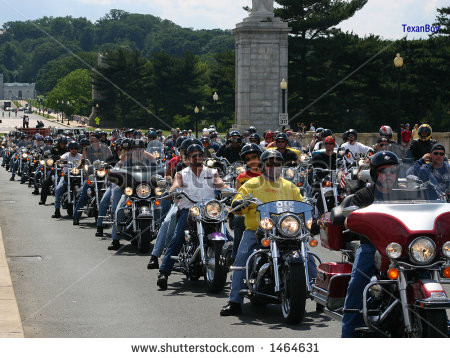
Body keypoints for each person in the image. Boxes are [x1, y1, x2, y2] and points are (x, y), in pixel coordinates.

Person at [220, 150, 315, 316]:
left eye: (277, 163)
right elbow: (237, 203)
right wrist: (239, 202)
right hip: (258, 231)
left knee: (309, 257)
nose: (274, 166)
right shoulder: (251, 184)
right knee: (243, 257)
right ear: (263, 166)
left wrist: (310, 209)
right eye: (270, 163)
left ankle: (317, 294)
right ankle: (234, 301)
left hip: (286, 232)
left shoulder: (289, 186)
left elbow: (302, 203)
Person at [341, 151, 401, 337]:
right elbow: (348, 219)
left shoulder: (405, 194)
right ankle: (348, 335)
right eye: (384, 171)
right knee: (357, 285)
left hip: (402, 249)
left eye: (392, 171)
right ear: (375, 174)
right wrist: (355, 219)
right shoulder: (364, 195)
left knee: (423, 274)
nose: (389, 175)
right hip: (372, 247)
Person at [156, 143, 228, 290]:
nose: (197, 158)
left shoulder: (212, 172)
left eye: (200, 155)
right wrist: (172, 191)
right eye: (193, 156)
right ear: (188, 158)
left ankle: (236, 269)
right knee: (178, 237)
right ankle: (164, 272)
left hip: (209, 211)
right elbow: (175, 186)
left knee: (228, 239)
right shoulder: (181, 174)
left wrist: (230, 191)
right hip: (190, 210)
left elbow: (221, 185)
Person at [72, 131, 112, 225]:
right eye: (91, 139)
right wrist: (80, 165)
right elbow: (82, 159)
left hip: (104, 174)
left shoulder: (106, 148)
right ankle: (76, 216)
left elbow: (111, 159)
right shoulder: (87, 149)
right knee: (84, 193)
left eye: (94, 139)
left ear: (99, 140)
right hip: (92, 175)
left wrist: (110, 163)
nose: (92, 141)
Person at [232, 143, 263, 260]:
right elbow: (238, 195)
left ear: (260, 157)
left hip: (267, 210)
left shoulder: (269, 175)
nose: (252, 160)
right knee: (237, 218)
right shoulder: (241, 177)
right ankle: (237, 254)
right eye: (248, 159)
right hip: (248, 211)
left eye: (254, 157)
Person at [51, 141, 82, 218]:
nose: (73, 150)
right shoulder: (66, 155)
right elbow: (61, 158)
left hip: (79, 176)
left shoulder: (81, 156)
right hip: (66, 176)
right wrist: (59, 160)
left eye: (75, 148)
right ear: (69, 149)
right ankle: (57, 210)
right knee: (58, 189)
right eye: (72, 148)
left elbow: (86, 161)